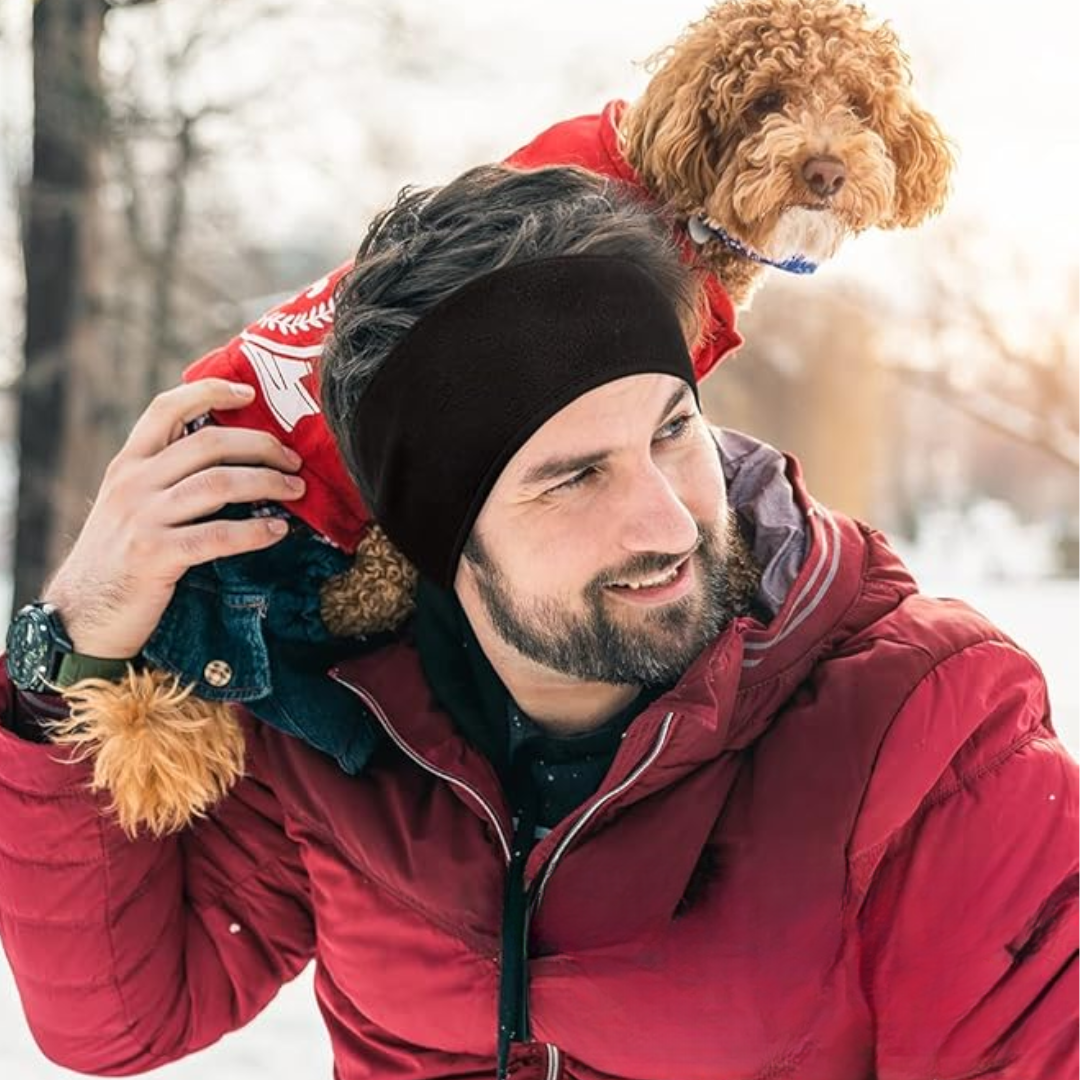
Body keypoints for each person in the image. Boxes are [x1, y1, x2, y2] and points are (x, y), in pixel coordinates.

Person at [1, 164, 1076, 1080]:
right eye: (572, 478)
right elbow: (117, 1021)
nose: (666, 521)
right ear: (435, 540)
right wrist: (73, 641)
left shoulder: (933, 732)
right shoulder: (345, 719)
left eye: (670, 431)